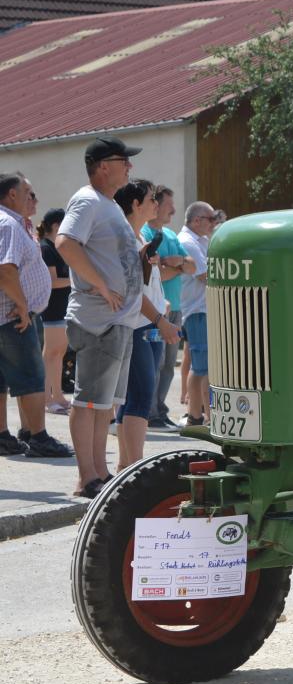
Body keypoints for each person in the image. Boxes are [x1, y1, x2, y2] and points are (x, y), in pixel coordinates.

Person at [56, 135, 147, 498]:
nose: (130, 167)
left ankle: (99, 472)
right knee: (89, 400)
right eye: (124, 161)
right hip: (100, 320)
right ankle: (87, 476)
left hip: (118, 320)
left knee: (103, 404)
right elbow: (65, 242)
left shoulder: (106, 203)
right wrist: (100, 284)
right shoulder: (87, 199)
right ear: (103, 166)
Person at [0, 173, 71, 458]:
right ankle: (37, 436)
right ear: (12, 195)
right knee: (30, 376)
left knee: (3, 380)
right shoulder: (7, 224)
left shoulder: (15, 224)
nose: (35, 198)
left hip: (10, 314)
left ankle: (4, 436)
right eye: (28, 193)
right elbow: (6, 269)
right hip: (12, 315)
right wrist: (21, 304)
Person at [112, 179, 180, 470]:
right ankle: (134, 467)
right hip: (139, 325)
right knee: (139, 396)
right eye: (152, 199)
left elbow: (147, 285)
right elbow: (133, 293)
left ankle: (126, 466)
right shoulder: (127, 239)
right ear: (136, 205)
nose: (157, 203)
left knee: (134, 397)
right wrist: (160, 320)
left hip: (147, 324)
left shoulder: (139, 238)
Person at [141, 185, 194, 431]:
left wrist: (179, 262)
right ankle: (149, 413)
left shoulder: (171, 236)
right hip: (156, 310)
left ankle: (159, 411)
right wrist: (177, 268)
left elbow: (193, 267)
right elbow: (155, 275)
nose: (173, 209)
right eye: (169, 204)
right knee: (155, 361)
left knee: (168, 364)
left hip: (175, 308)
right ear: (156, 205)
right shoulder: (145, 234)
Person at [178, 201, 216, 427]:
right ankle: (196, 416)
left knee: (205, 366)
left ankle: (207, 415)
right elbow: (206, 275)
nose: (214, 222)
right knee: (201, 368)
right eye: (210, 218)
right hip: (197, 312)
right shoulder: (188, 242)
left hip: (203, 310)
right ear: (196, 221)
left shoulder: (200, 240)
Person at [38, 208, 71, 414]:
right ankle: (47, 398)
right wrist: (76, 280)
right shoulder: (46, 248)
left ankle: (57, 395)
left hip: (63, 309)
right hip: (51, 310)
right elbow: (51, 282)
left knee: (59, 353)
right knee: (51, 354)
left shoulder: (58, 248)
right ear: (56, 226)